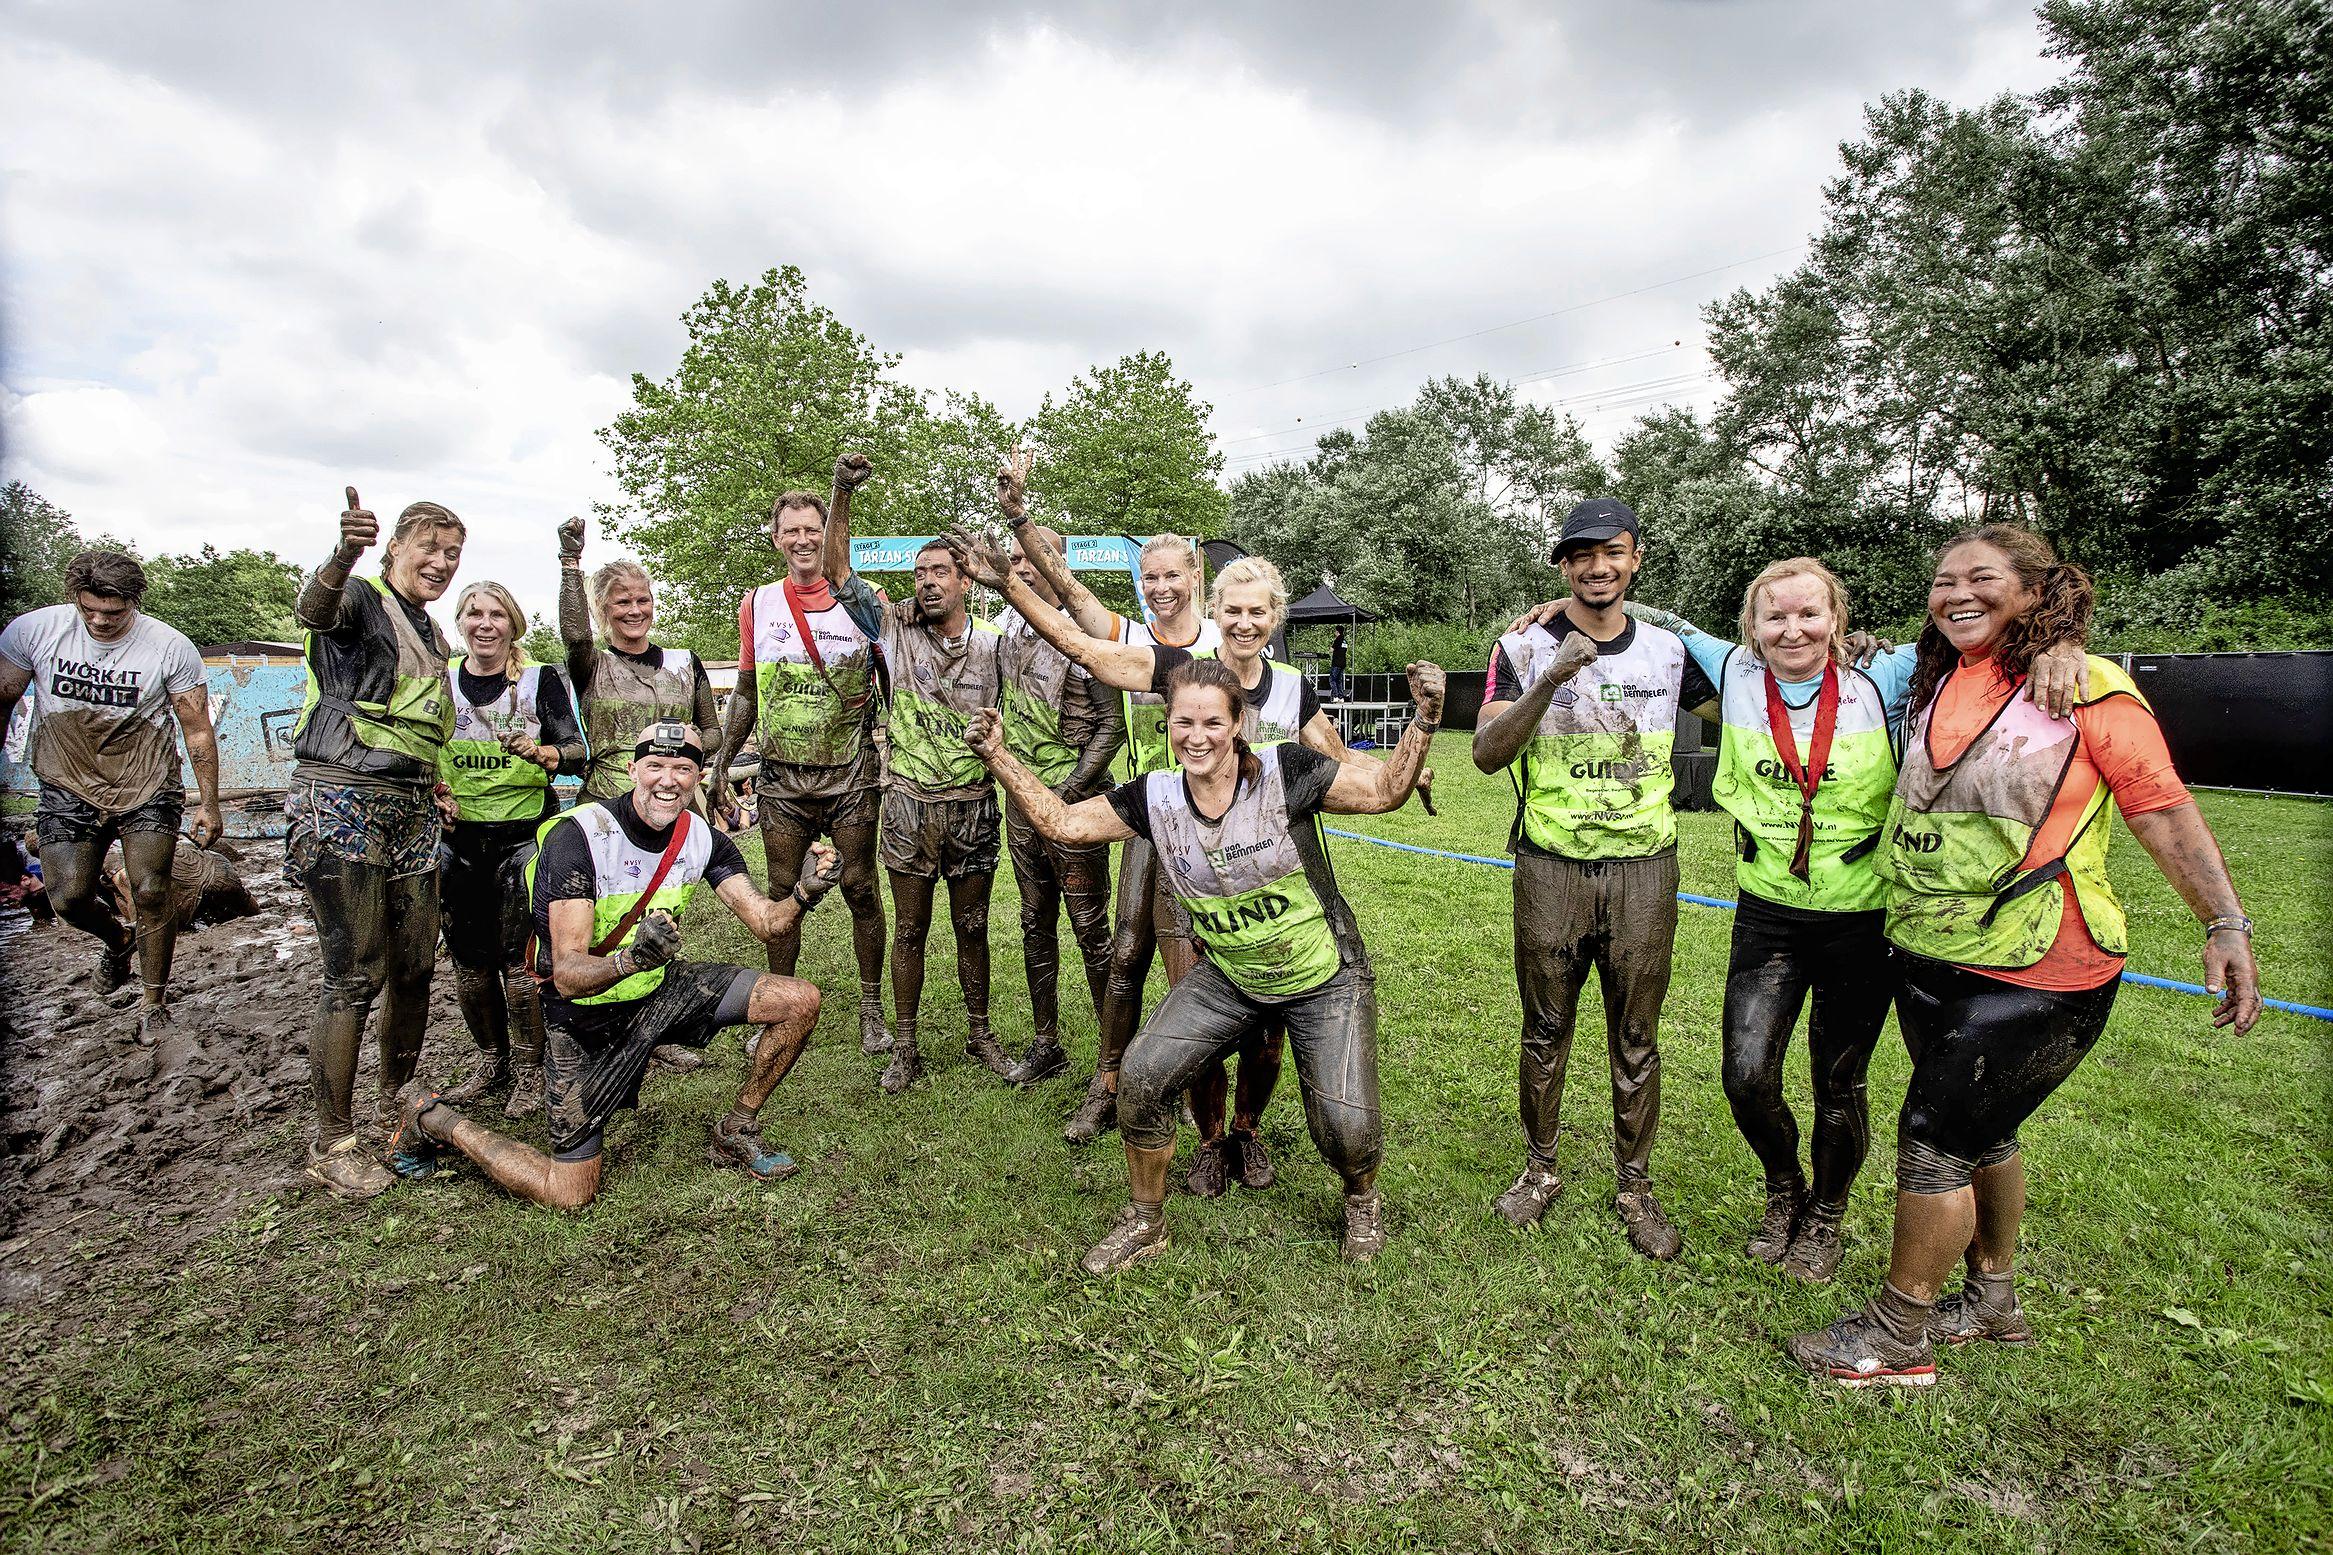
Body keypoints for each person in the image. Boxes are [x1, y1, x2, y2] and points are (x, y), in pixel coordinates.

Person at [1786, 524, 2260, 1386]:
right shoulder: (1940, 679)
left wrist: (2224, 922)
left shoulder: (2087, 687)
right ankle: (1991, 1300)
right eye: (1942, 581)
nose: (1956, 593)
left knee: (1931, 1138)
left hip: (2043, 961)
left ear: (2037, 593)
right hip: (1934, 951)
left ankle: (1898, 1336)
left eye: (1982, 578)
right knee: (1984, 1128)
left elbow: (2158, 804)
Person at [1531, 569, 2086, 1279]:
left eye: (1809, 614)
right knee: (1745, 1072)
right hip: (1769, 915)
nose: (1792, 630)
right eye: (1774, 617)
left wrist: (2061, 641)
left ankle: (1824, 1214)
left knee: (1837, 1081)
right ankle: (1782, 1187)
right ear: (1750, 627)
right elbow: (1648, 611)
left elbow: (1983, 635)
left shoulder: (1882, 673)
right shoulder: (1729, 668)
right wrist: (1563, 605)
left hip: (1859, 917)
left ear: (1836, 615)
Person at [954, 517, 1434, 1196]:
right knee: (1174, 983)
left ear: (1273, 618)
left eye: (1256, 612)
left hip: (1279, 876)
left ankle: (1247, 1128)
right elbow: (1084, 642)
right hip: (1179, 846)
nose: (1243, 623)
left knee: (1268, 1026)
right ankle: (1202, 1133)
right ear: (1217, 615)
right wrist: (1014, 572)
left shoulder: (1291, 691)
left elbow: (1343, 763)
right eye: (1232, 612)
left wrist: (1407, 760)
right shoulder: (1181, 670)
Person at [967, 655, 1442, 1269]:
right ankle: (1145, 1221)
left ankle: (1361, 1197)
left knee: (1345, 1131)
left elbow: (1381, 791)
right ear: (1166, 724)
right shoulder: (1155, 797)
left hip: (1324, 975)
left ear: (1238, 722)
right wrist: (998, 755)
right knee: (1141, 1073)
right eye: (1182, 723)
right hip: (1231, 976)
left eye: (1212, 723)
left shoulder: (1284, 770)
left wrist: (1425, 721)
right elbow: (1064, 822)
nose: (1196, 737)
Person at [390, 721, 835, 1208]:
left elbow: (768, 923)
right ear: (632, 770)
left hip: (655, 988)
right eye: (656, 767)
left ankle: (736, 1129)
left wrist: (804, 892)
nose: (668, 780)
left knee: (798, 1000)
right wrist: (632, 958)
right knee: (568, 1194)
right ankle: (432, 1118)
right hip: (583, 1015)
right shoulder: (579, 836)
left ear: (699, 776)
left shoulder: (702, 837)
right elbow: (568, 975)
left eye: (683, 768)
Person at [1471, 497, 1714, 1260]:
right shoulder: (1517, 648)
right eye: (1580, 555)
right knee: (1544, 1028)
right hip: (1550, 865)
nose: (1596, 567)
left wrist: (1853, 658)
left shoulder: (1671, 653)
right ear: (1563, 567)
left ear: (1634, 558)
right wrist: (1552, 674)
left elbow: (1752, 699)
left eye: (1611, 552)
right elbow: (1484, 752)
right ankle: (1539, 1170)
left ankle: (1634, 1187)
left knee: (1636, 1037)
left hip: (1645, 865)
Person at [287, 488, 462, 1199]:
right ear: (394, 546)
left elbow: (421, 720)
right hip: (341, 800)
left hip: (412, 807)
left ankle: (401, 1102)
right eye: (430, 547)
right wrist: (342, 552)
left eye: (453, 553)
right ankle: (332, 1141)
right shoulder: (359, 598)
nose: (442, 562)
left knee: (417, 963)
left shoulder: (432, 630)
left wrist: (438, 782)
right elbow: (314, 611)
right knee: (355, 970)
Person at [824, 469, 1008, 1092]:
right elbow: (836, 575)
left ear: (964, 580)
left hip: (973, 805)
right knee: (909, 928)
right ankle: (905, 1046)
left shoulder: (994, 646)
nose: (927, 582)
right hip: (907, 802)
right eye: (919, 574)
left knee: (974, 926)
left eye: (940, 572)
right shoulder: (894, 627)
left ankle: (980, 1033)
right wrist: (841, 495)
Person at [712, 456, 893, 1059]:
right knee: (783, 888)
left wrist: (842, 492)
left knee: (861, 888)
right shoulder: (757, 602)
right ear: (775, 537)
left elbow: (899, 672)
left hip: (850, 775)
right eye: (790, 530)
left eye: (812, 529)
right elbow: (745, 690)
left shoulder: (864, 600)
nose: (802, 540)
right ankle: (777, 1003)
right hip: (782, 779)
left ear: (828, 535)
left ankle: (871, 1010)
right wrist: (721, 766)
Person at [0, 550, 222, 1031]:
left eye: (114, 612)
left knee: (149, 888)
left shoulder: (168, 646)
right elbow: (3, 700)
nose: (100, 620)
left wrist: (208, 802)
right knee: (68, 897)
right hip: (66, 781)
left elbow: (197, 729)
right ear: (74, 600)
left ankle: (153, 1003)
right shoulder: (33, 632)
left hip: (147, 782)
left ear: (134, 602)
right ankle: (118, 941)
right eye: (90, 609)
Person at [557, 517, 724, 1073]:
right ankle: (595, 1024)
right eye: (621, 603)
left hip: (676, 807)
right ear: (604, 611)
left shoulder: (683, 661)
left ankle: (656, 1030)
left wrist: (700, 754)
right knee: (603, 919)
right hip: (609, 806)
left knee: (666, 915)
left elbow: (715, 727)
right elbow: (575, 636)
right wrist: (569, 565)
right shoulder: (590, 664)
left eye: (643, 600)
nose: (635, 610)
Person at [989, 451, 1125, 1088]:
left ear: (1056, 567)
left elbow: (1112, 726)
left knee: (1092, 928)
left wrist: (1064, 795)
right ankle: (1047, 1041)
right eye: (1015, 562)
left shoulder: (1085, 639)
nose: (1021, 569)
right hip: (1022, 805)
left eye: (1033, 560)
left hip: (1076, 806)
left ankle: (1114, 1054)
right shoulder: (1007, 639)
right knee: (1034, 921)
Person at [435, 580, 588, 1120]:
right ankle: (490, 1061)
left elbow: (577, 753)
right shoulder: (441, 680)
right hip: (459, 840)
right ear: (459, 622)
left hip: (524, 836)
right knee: (468, 962)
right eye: (474, 613)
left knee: (519, 960)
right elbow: (417, 748)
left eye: (496, 614)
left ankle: (528, 1069)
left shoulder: (538, 681)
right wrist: (434, 789)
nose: (485, 624)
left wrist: (545, 751)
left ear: (513, 624)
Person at [108, 836, 258, 936]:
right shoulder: (131, 842)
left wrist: (136, 932)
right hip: (217, 867)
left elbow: (136, 899)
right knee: (248, 909)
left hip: (211, 879)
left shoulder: (115, 864)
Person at [1329, 625, 1349, 702]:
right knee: (1339, 680)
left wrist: (1330, 647)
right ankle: (1341, 697)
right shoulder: (1345, 641)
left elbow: (1331, 650)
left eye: (1335, 631)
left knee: (1332, 679)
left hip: (1336, 663)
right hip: (1343, 663)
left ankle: (1336, 696)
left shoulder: (1338, 639)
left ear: (1337, 632)